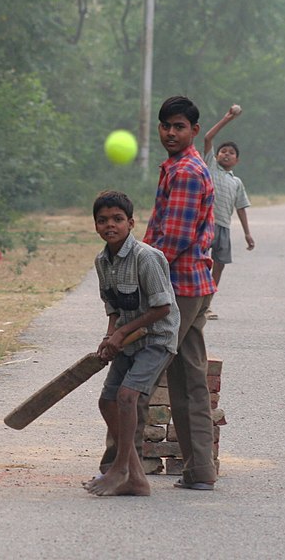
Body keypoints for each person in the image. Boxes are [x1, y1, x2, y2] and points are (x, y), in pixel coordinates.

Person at [142, 95, 218, 490]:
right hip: (186, 285)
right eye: (165, 125)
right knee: (189, 381)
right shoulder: (174, 166)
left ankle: (120, 467)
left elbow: (173, 239)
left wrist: (139, 276)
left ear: (194, 131)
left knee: (139, 372)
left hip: (179, 287)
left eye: (179, 127)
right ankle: (199, 471)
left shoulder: (188, 171)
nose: (170, 133)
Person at [84, 190, 180, 496]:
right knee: (107, 401)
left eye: (117, 219)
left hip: (157, 338)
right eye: (102, 221)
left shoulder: (146, 257)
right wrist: (110, 336)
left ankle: (121, 469)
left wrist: (121, 335)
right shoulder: (102, 261)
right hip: (128, 339)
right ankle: (137, 479)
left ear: (131, 223)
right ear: (95, 225)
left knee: (127, 397)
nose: (110, 225)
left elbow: (162, 308)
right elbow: (113, 307)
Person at [202, 104, 255, 320]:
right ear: (216, 155)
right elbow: (207, 138)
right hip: (205, 224)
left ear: (237, 160)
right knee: (201, 263)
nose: (226, 154)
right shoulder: (210, 167)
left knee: (219, 265)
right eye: (223, 151)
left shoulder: (236, 182)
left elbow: (241, 207)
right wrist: (227, 118)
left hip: (223, 227)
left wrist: (247, 233)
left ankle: (206, 304)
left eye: (231, 153)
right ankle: (196, 301)